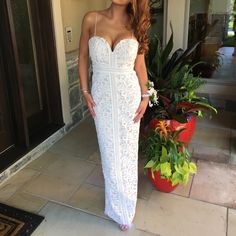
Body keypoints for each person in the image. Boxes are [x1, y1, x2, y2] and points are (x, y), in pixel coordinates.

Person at [78, 0, 150, 231]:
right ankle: (114, 205)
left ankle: (126, 209)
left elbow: (139, 66)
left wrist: (146, 96)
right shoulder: (91, 19)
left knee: (128, 153)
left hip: (128, 98)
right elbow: (82, 58)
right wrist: (85, 90)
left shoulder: (136, 24)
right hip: (102, 100)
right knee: (109, 153)